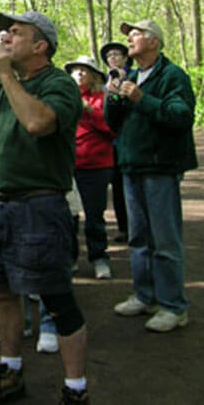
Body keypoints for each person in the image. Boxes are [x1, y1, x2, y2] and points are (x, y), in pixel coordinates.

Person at [0, 11, 89, 404]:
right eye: (5, 32)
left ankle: (75, 389)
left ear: (40, 45)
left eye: (16, 33)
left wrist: (5, 75)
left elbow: (38, 123)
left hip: (40, 208)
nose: (5, 38)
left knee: (56, 297)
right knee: (3, 292)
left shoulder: (58, 84)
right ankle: (10, 370)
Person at [105, 20, 197, 333]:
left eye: (136, 33)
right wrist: (113, 96)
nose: (129, 38)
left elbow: (181, 116)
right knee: (138, 237)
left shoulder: (172, 75)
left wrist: (141, 98)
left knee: (165, 239)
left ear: (155, 41)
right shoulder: (128, 75)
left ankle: (173, 306)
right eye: (128, 34)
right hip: (131, 165)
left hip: (160, 167)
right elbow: (112, 122)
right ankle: (145, 295)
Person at [65, 54, 115, 280]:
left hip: (96, 165)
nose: (79, 74)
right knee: (69, 216)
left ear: (94, 75)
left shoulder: (101, 98)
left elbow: (111, 128)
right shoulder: (64, 97)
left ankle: (99, 258)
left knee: (94, 216)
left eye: (84, 70)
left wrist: (87, 109)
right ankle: (70, 258)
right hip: (68, 165)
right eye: (75, 70)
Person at [99, 41, 131, 242]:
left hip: (127, 140)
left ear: (125, 58)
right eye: (109, 55)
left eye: (117, 54)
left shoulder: (132, 78)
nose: (113, 58)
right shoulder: (103, 84)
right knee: (116, 188)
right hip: (108, 144)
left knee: (130, 187)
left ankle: (135, 226)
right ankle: (123, 227)